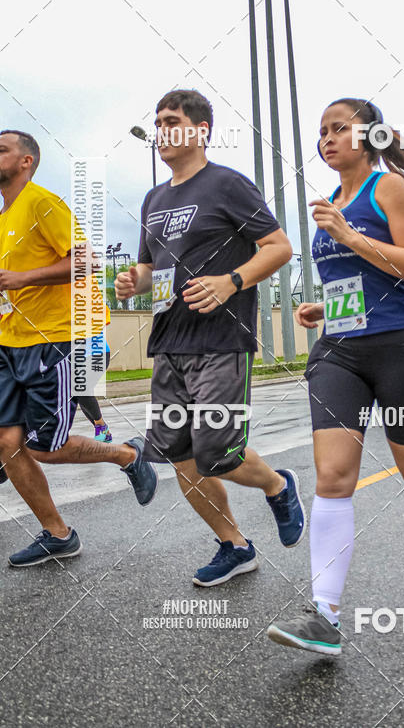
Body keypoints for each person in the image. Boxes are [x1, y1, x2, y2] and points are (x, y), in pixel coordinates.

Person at [267, 98, 404, 657]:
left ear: (369, 137)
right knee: (333, 476)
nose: (326, 140)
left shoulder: (389, 189)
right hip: (340, 353)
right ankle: (325, 616)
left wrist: (352, 236)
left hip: (401, 350)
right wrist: (324, 310)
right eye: (321, 132)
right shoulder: (332, 199)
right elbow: (355, 285)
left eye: (339, 129)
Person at [115, 89, 305, 587]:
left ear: (200, 130)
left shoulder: (227, 185)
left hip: (221, 341)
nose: (161, 130)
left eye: (172, 120)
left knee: (217, 452)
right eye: (157, 121)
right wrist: (131, 281)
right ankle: (234, 546)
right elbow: (148, 267)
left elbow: (279, 246)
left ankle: (279, 485)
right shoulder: (154, 198)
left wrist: (232, 281)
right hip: (168, 343)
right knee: (177, 453)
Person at [0, 130, 158, 566]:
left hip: (57, 340)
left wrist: (21, 279)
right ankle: (59, 534)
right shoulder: (3, 218)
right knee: (6, 442)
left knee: (43, 447)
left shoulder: (42, 203)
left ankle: (127, 453)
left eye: (1, 150)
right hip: (10, 341)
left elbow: (87, 260)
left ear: (26, 160)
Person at [75, 305, 112, 442]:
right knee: (79, 393)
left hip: (98, 354)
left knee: (82, 390)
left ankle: (101, 426)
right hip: (80, 357)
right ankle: (102, 430)